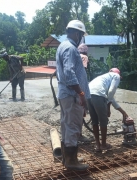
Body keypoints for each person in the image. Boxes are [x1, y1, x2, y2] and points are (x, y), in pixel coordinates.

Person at [56, 20, 90, 171]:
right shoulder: (70, 48)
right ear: (77, 33)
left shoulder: (63, 46)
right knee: (73, 127)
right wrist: (81, 93)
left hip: (66, 94)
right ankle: (71, 161)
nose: (81, 38)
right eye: (81, 35)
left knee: (66, 126)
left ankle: (69, 157)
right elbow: (69, 74)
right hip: (71, 95)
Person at [88, 68, 128, 151]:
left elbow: (111, 98)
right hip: (98, 95)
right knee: (103, 121)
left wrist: (123, 112)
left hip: (88, 95)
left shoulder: (103, 78)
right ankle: (103, 145)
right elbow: (111, 93)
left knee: (95, 121)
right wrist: (107, 108)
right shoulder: (116, 76)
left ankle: (98, 145)